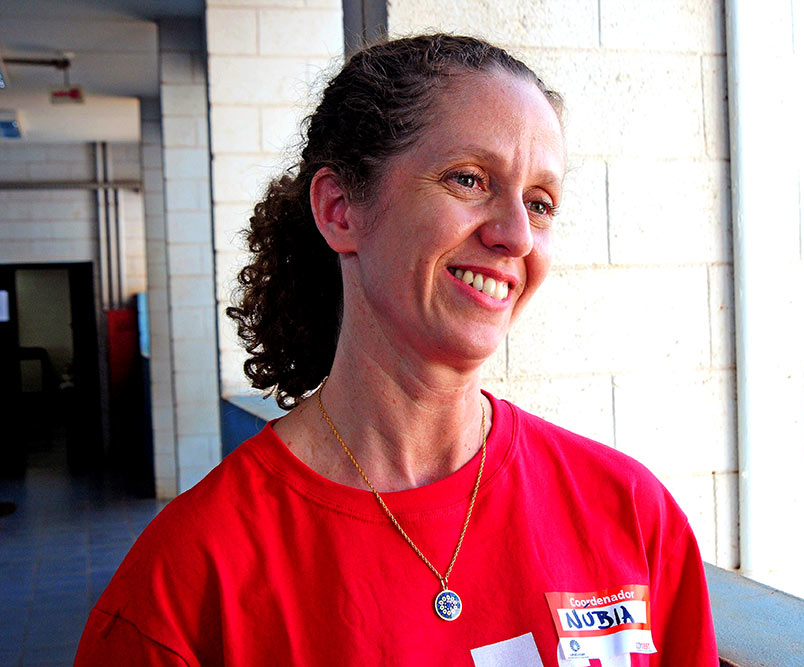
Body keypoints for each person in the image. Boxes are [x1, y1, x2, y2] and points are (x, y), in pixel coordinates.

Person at [75, 34, 718, 666]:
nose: (517, 235)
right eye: (469, 179)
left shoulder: (631, 514)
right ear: (340, 210)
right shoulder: (184, 587)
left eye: (541, 203)